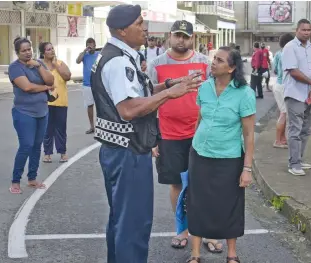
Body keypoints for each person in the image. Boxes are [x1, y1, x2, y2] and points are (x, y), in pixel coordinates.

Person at [90, 5, 203, 262]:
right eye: (139, 23)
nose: (145, 28)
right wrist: (168, 94)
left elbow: (137, 91)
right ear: (122, 29)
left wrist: (170, 85)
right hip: (127, 152)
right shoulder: (119, 62)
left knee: (122, 219)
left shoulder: (118, 55)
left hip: (119, 149)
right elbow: (129, 108)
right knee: (134, 223)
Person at [146, 20, 223, 253]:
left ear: (192, 38)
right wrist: (152, 138)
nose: (181, 40)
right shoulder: (156, 64)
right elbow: (148, 100)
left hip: (201, 134)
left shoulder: (203, 63)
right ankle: (181, 229)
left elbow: (216, 96)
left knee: (204, 183)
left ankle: (209, 231)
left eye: (185, 36)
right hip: (168, 134)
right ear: (170, 36)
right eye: (177, 35)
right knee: (176, 184)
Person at [186, 46, 256, 263]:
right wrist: (194, 143)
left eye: (220, 60)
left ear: (232, 68)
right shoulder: (204, 88)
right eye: (213, 58)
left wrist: (247, 169)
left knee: (230, 204)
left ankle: (232, 254)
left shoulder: (244, 93)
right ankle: (195, 254)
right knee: (197, 202)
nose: (213, 62)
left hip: (229, 158)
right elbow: (200, 119)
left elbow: (249, 134)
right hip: (200, 154)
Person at [8, 37, 55, 194]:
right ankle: (15, 181)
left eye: (29, 49)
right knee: (26, 145)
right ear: (17, 53)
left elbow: (51, 79)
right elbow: (27, 87)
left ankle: (32, 178)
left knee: (37, 145)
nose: (28, 52)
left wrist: (39, 67)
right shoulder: (15, 68)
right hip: (24, 112)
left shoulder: (37, 64)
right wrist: (46, 87)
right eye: (24, 50)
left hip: (42, 111)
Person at [282, 19, 311, 176]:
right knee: (295, 130)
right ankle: (294, 163)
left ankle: (299, 158)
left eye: (308, 30)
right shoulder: (290, 47)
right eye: (303, 29)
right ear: (296, 30)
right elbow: (294, 72)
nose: (306, 32)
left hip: (309, 96)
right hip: (295, 95)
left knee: (306, 130)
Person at [39, 42, 72, 163]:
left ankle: (62, 152)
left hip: (61, 102)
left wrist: (55, 65)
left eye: (52, 48)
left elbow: (67, 76)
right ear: (43, 53)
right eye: (48, 49)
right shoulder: (40, 66)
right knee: (47, 129)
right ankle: (47, 153)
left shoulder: (60, 63)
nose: (52, 51)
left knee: (61, 128)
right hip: (46, 103)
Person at [272, 33, 294, 149]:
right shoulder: (287, 54)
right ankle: (277, 140)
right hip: (283, 86)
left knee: (283, 113)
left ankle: (282, 138)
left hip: (278, 85)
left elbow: (275, 70)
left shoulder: (277, 54)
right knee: (284, 113)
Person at [76, 38, 99, 134]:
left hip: (98, 84)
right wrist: (84, 51)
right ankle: (92, 126)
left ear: (95, 45)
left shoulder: (99, 55)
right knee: (90, 106)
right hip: (87, 84)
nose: (90, 46)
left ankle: (100, 126)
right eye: (88, 45)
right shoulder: (84, 55)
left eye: (92, 44)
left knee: (100, 106)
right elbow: (77, 61)